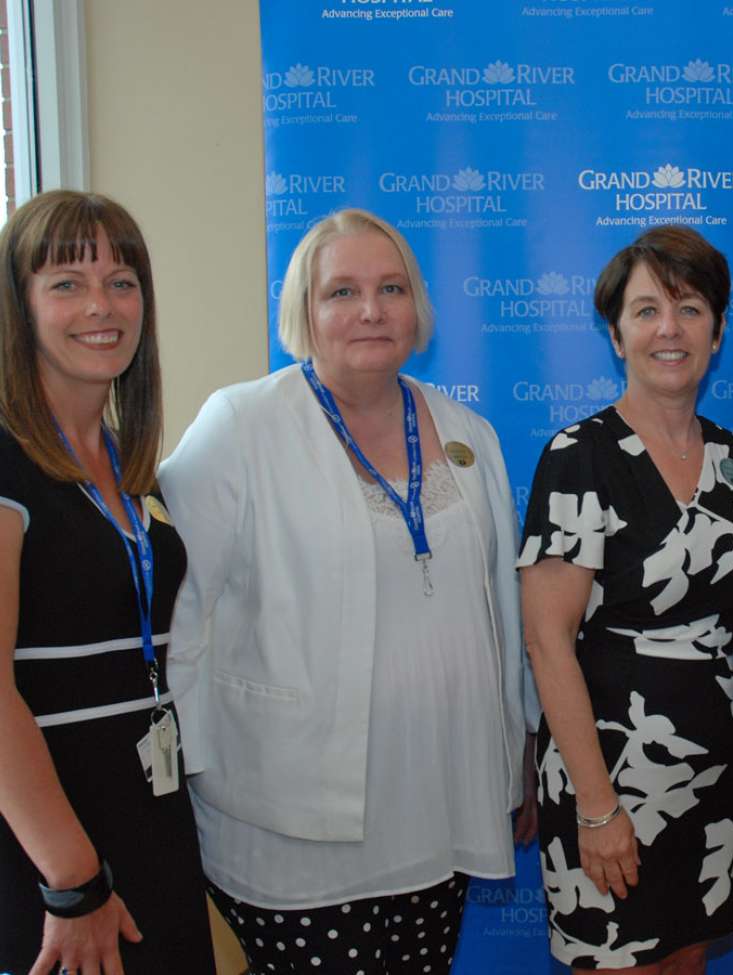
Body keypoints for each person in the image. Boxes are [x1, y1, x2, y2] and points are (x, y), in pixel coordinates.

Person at [158, 208, 537, 974]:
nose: (371, 309)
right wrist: (184, 769)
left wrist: (518, 746)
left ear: (418, 307)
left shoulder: (469, 430)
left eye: (391, 287)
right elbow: (175, 614)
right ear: (304, 311)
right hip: (293, 823)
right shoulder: (240, 426)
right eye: (342, 291)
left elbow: (503, 606)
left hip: (441, 804)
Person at [517, 225, 733, 973]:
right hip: (609, 782)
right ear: (616, 333)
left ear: (718, 332)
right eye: (647, 309)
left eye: (691, 309)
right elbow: (546, 641)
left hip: (716, 781)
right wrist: (597, 808)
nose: (669, 328)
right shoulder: (577, 459)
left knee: (688, 959)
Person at [0, 190, 216, 973]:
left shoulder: (129, 468)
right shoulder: (7, 457)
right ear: (18, 307)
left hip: (150, 822)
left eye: (122, 281)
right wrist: (71, 880)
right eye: (66, 283)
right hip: (55, 847)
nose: (102, 305)